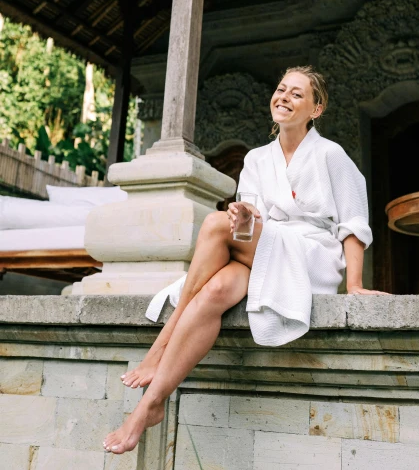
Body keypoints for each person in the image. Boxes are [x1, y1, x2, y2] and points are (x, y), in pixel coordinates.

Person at [103, 65, 386, 455]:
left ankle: (160, 346)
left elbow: (354, 222)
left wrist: (353, 285)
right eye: (281, 88)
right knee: (216, 289)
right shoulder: (255, 159)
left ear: (316, 109)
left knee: (216, 225)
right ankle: (151, 404)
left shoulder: (330, 155)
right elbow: (249, 227)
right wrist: (245, 220)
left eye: (297, 94)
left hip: (310, 255)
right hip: (266, 250)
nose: (284, 97)